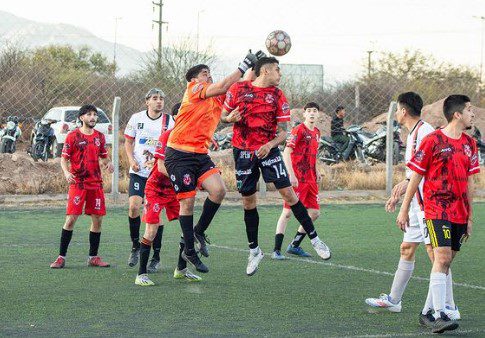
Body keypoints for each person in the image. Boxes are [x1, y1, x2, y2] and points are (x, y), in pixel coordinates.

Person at [221, 57, 331, 276]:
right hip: (243, 151)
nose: (280, 74)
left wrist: (269, 144)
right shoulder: (238, 88)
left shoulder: (278, 95)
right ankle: (254, 251)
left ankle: (315, 239)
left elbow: (283, 131)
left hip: (268, 150)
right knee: (248, 201)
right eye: (278, 70)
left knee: (289, 195)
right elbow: (223, 116)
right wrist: (229, 118)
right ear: (266, 71)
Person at [164, 50, 265, 273]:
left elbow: (238, 84)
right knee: (187, 203)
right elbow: (222, 85)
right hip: (178, 153)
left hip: (199, 154)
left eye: (209, 73)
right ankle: (189, 250)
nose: (208, 76)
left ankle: (198, 232)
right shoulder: (194, 90)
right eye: (204, 73)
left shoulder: (215, 96)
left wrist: (255, 67)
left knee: (219, 191)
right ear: (194, 80)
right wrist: (242, 64)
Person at [365, 92, 459, 319]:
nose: (396, 113)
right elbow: (416, 173)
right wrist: (403, 188)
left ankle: (450, 307)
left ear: (403, 111)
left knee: (436, 256)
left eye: (397, 109)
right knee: (407, 248)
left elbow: (429, 170)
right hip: (417, 205)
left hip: (428, 206)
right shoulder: (414, 133)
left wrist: (405, 198)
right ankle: (394, 300)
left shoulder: (425, 132)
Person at [397, 95, 479, 334]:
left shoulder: (469, 144)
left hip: (459, 212)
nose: (473, 114)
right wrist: (404, 208)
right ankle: (439, 313)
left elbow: (470, 183)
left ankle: (426, 312)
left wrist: (470, 217)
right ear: (457, 114)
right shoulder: (433, 140)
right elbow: (415, 176)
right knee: (441, 259)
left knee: (445, 263)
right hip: (436, 209)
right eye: (469, 110)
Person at [135, 104, 202, 286]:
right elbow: (162, 167)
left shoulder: (194, 138)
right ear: (175, 117)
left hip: (175, 189)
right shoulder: (167, 136)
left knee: (186, 229)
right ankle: (141, 274)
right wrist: (181, 178)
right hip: (156, 188)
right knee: (151, 229)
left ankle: (181, 270)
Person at [50, 104, 114, 268]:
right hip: (78, 183)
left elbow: (104, 157)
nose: (92, 117)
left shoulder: (100, 136)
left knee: (98, 220)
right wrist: (66, 172)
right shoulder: (72, 136)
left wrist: (109, 164)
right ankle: (61, 257)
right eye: (89, 115)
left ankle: (93, 257)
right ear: (81, 118)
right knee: (71, 219)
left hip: (96, 184)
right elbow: (64, 159)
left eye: (94, 114)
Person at [124, 88, 174, 271]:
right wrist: (131, 160)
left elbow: (173, 146)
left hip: (159, 175)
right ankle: (135, 246)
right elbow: (128, 142)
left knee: (155, 216)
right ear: (147, 101)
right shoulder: (137, 118)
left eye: (161, 98)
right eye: (155, 98)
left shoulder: (170, 121)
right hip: (139, 172)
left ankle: (156, 256)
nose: (159, 101)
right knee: (134, 207)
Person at [272, 102, 322, 260]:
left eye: (315, 111)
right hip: (297, 179)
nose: (312, 113)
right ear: (304, 114)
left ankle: (294, 245)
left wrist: (317, 170)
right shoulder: (299, 130)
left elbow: (314, 154)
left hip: (311, 180)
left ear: (318, 114)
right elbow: (287, 152)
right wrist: (291, 175)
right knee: (287, 213)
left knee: (314, 213)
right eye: (309, 111)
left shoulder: (317, 133)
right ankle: (276, 250)